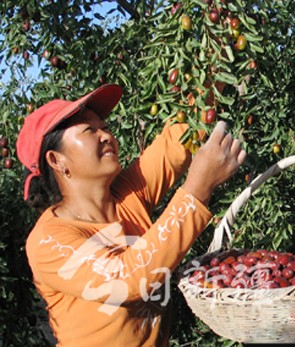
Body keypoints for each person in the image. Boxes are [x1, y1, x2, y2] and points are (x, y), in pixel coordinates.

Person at [15, 83, 246, 346]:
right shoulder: (49, 240)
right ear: (56, 160)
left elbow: (179, 139)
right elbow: (125, 279)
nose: (106, 136)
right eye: (90, 130)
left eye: (105, 127)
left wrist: (212, 70)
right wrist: (198, 188)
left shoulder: (127, 194)